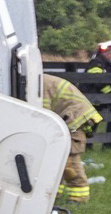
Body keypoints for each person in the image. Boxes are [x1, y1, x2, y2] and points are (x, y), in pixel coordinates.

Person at [41, 72, 104, 204]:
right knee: (56, 157)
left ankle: (79, 197)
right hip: (72, 116)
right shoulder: (41, 80)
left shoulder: (38, 84)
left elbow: (42, 113)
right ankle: (54, 194)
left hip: (74, 119)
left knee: (69, 160)